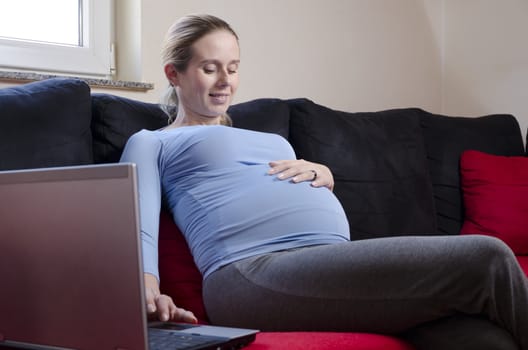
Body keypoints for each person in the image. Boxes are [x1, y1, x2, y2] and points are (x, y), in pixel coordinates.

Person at [120, 14, 528, 350]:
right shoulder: (154, 141)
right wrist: (148, 289)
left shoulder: (265, 137)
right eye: (210, 69)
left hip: (324, 265)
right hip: (251, 273)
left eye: (233, 67)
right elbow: (134, 218)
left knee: (483, 339)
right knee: (487, 257)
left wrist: (325, 175)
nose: (225, 80)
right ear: (174, 73)